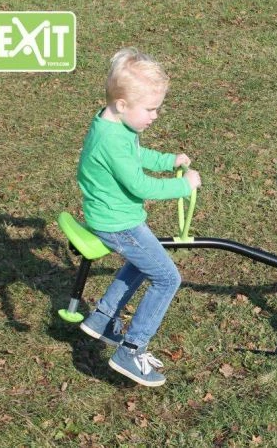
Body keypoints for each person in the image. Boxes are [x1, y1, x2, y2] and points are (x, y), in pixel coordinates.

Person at [76, 47, 201, 386]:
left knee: (143, 263)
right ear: (122, 104)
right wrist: (183, 186)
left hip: (113, 215)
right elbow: (139, 184)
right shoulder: (113, 141)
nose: (155, 115)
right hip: (117, 222)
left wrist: (166, 160)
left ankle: (103, 318)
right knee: (167, 278)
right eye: (150, 109)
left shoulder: (113, 126)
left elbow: (135, 154)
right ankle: (131, 349)